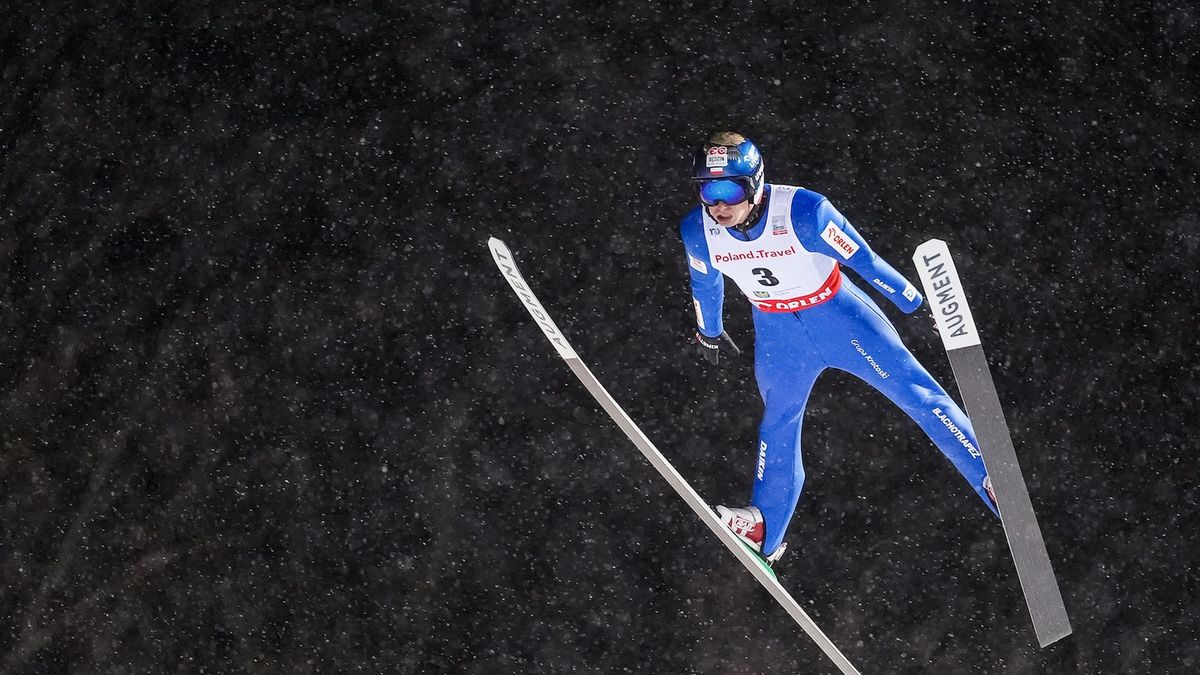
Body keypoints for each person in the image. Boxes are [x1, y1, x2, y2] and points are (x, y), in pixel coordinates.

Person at [679, 131, 998, 565]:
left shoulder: (806, 212)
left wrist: (914, 305)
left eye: (729, 189)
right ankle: (764, 528)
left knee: (916, 394)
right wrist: (709, 331)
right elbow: (705, 283)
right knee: (778, 422)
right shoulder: (699, 231)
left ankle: (990, 475)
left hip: (840, 319)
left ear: (754, 182)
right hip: (778, 335)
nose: (719, 205)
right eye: (707, 190)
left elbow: (864, 260)